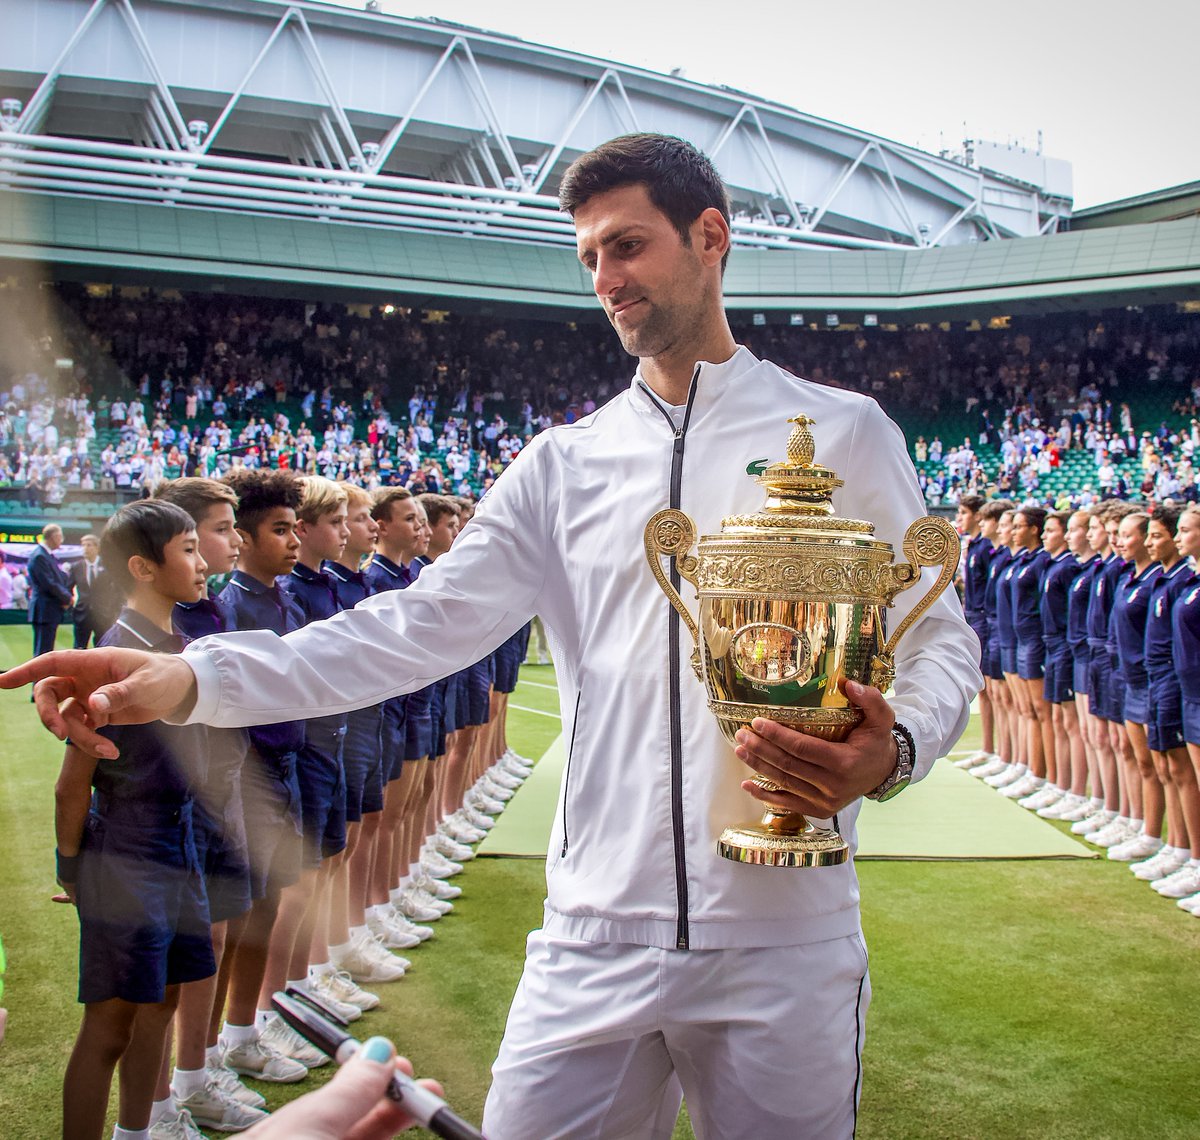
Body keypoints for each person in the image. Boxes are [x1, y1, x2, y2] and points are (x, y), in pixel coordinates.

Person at [8, 133, 981, 1138]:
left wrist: (895, 747)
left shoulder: (846, 431)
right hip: (594, 936)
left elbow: (939, 639)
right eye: (590, 258)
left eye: (628, 246)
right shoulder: (563, 464)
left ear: (711, 237)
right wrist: (190, 679)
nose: (606, 278)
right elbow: (411, 628)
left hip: (787, 935)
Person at [54, 500, 215, 1140]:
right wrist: (71, 868)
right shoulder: (115, 655)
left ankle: (137, 1132)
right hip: (127, 848)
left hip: (180, 842)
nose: (202, 563)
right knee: (110, 1023)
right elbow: (73, 787)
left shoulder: (181, 647)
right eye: (188, 550)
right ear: (144, 568)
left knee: (165, 1000)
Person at [28, 522, 73, 657]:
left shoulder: (47, 555)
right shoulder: (40, 556)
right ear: (54, 536)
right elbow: (49, 584)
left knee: (45, 650)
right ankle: (40, 679)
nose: (61, 541)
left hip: (48, 610)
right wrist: (68, 597)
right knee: (43, 652)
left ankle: (41, 678)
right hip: (44, 609)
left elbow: (57, 578)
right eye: (60, 537)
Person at [70, 534, 103, 648]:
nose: (85, 548)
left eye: (89, 545)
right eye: (83, 545)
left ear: (97, 548)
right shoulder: (76, 567)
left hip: (103, 615)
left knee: (103, 648)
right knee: (79, 649)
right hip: (82, 614)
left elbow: (117, 590)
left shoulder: (108, 566)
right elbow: (68, 588)